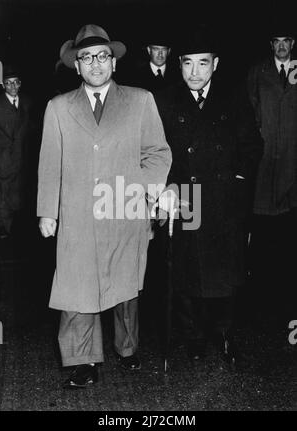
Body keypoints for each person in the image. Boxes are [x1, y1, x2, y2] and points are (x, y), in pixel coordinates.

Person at [37, 24, 172, 389]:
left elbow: (157, 152)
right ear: (76, 66)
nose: (95, 64)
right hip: (77, 214)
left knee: (125, 286)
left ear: (113, 62)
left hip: (125, 209)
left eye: (102, 56)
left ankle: (127, 347)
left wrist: (144, 193)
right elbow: (50, 164)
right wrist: (47, 212)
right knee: (77, 288)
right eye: (86, 57)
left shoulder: (140, 100)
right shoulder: (58, 108)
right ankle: (84, 362)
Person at [154, 29, 263, 363]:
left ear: (215, 64)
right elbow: (159, 152)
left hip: (223, 199)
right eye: (188, 64)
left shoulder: (233, 97)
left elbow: (252, 144)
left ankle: (225, 333)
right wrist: (169, 185)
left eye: (203, 63)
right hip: (186, 196)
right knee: (185, 272)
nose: (195, 72)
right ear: (180, 65)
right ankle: (193, 337)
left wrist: (238, 178)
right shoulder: (166, 100)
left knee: (225, 272)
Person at [247, 29, 297, 324]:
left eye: (286, 43)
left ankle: (285, 286)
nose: (281, 48)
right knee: (262, 221)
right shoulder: (257, 72)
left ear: (293, 44)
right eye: (276, 43)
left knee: (289, 224)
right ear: (271, 46)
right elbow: (250, 112)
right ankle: (260, 289)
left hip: (292, 158)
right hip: (265, 161)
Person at [0, 65, 33, 239]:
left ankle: (16, 227)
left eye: (14, 83)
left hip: (22, 157)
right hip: (2, 158)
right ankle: (3, 226)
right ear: (3, 85)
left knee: (19, 192)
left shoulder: (27, 102)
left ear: (20, 84)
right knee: (3, 192)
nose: (11, 87)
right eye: (7, 83)